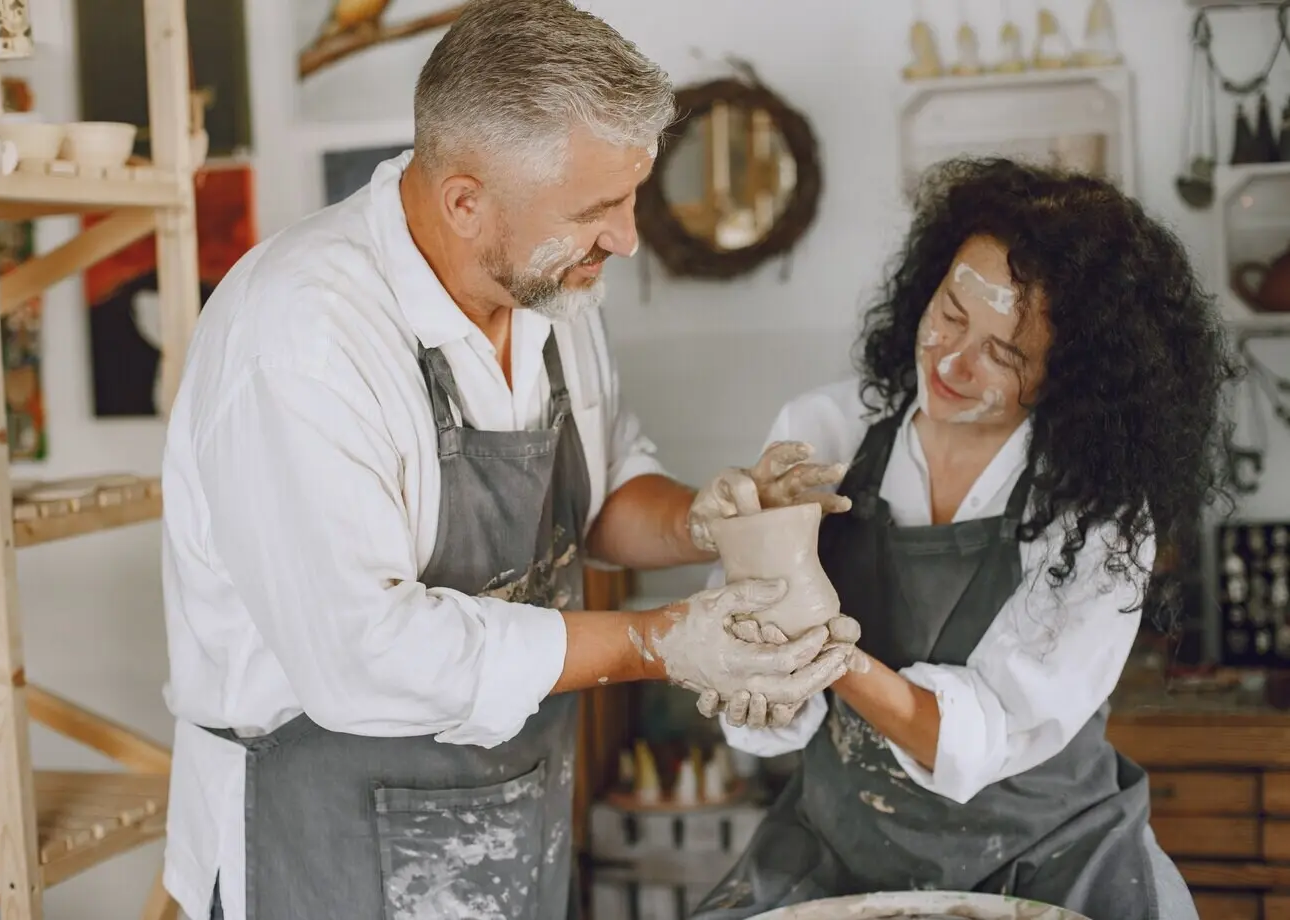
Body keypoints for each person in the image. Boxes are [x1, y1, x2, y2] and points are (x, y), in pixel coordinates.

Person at [156, 2, 862, 919]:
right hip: (318, 840)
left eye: (631, 197)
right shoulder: (300, 337)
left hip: (514, 817)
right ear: (464, 199)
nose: (628, 238)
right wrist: (659, 642)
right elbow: (361, 658)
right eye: (597, 210)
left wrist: (704, 520)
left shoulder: (548, 285)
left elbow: (596, 499)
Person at [692, 157, 1236, 920]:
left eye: (1003, 353)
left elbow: (982, 735)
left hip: (1049, 852)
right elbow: (758, 698)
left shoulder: (1099, 507)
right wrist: (748, 642)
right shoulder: (824, 433)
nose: (950, 361)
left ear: (1067, 378)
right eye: (951, 311)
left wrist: (830, 658)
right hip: (841, 843)